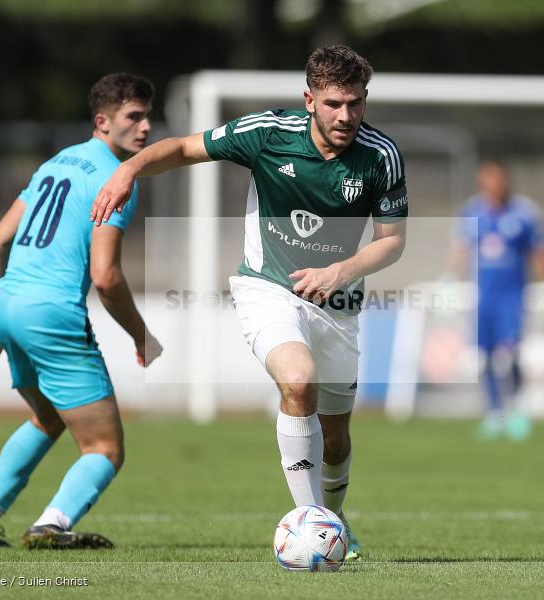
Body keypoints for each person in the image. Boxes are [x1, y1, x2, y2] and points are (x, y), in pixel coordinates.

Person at [90, 45, 408, 561]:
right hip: (267, 288)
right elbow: (184, 148)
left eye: (355, 103)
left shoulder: (380, 156)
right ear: (309, 99)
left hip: (339, 304)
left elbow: (392, 240)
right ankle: (312, 523)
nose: (345, 115)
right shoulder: (268, 133)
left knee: (336, 439)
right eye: (332, 103)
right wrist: (127, 172)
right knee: (297, 380)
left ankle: (333, 514)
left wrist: (340, 271)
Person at [0, 73, 162, 548]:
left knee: (47, 416)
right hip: (52, 313)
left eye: (148, 115)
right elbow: (106, 277)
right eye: (134, 116)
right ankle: (52, 524)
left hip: (8, 306)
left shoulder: (53, 165)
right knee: (104, 448)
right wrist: (141, 334)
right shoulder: (116, 178)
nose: (146, 127)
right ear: (102, 121)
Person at [447, 160, 544, 441]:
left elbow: (540, 252)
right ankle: (494, 413)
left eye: (498, 180)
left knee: (507, 354)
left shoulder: (524, 213)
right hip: (483, 297)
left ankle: (516, 409)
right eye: (488, 181)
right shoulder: (472, 211)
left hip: (512, 297)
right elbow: (461, 249)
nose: (494, 186)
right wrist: (448, 280)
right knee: (485, 357)